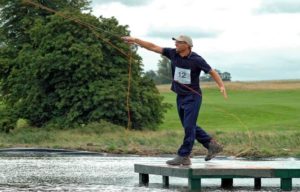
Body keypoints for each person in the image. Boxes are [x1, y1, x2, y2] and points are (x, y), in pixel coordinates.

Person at [122, 35, 227, 165]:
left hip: (193, 97)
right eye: (175, 42)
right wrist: (136, 40)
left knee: (189, 126)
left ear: (187, 45)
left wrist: (221, 85)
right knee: (189, 125)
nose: (175, 44)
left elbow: (212, 72)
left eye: (178, 42)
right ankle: (211, 145)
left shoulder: (197, 60)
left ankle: (184, 155)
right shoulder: (172, 53)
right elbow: (153, 47)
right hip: (180, 96)